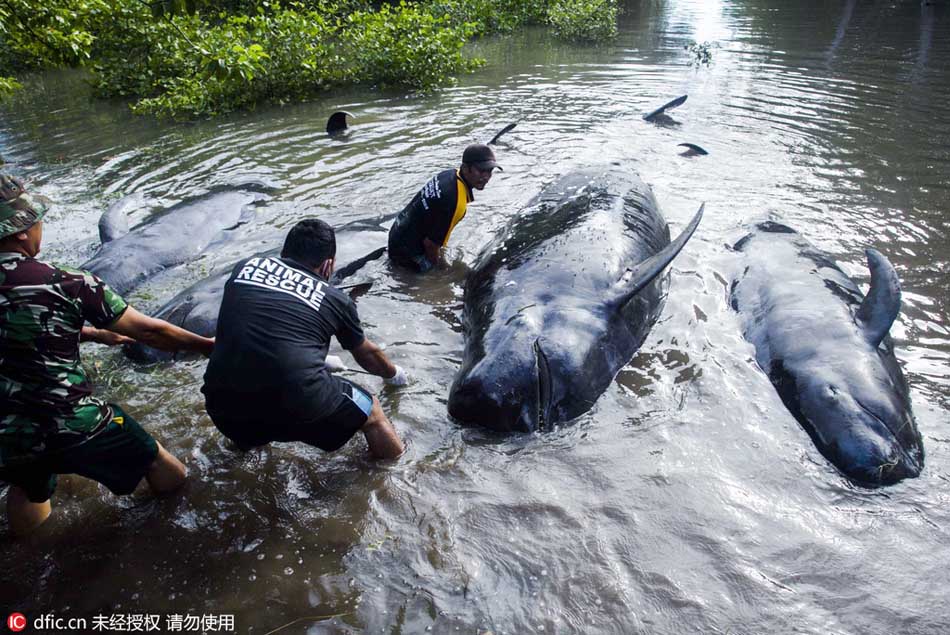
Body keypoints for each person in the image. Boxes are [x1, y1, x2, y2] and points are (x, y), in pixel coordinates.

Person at [0, 175, 215, 537]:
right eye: (36, 220)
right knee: (159, 460)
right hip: (72, 419)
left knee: (26, 487)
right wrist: (207, 345)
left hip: (8, 433)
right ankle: (177, 530)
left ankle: (30, 558)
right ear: (21, 230)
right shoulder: (66, 281)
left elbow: (16, 329)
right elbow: (149, 331)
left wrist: (92, 333)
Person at [202, 218, 407, 459]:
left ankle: (242, 453)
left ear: (284, 252)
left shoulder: (245, 268)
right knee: (372, 411)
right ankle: (395, 467)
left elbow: (265, 330)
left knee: (249, 393)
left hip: (222, 408)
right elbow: (367, 355)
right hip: (297, 408)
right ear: (328, 265)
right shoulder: (335, 299)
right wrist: (394, 375)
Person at [388, 143, 501, 273]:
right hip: (407, 253)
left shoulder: (449, 175)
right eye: (481, 170)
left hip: (397, 232)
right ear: (465, 168)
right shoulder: (453, 200)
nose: (486, 177)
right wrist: (442, 270)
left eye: (490, 171)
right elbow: (430, 245)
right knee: (451, 277)